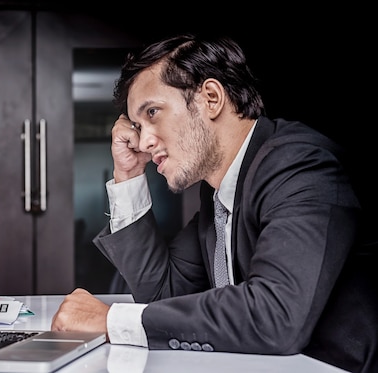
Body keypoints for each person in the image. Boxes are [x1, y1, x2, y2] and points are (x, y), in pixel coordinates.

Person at [50, 33, 377, 373]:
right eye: (136, 125)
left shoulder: (300, 167)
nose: (144, 142)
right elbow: (163, 292)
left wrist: (112, 319)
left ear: (210, 97)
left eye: (153, 112)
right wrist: (129, 173)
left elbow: (276, 315)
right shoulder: (220, 193)